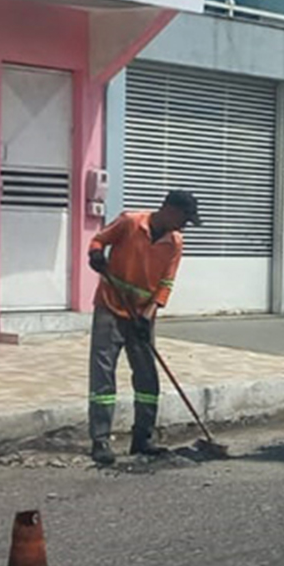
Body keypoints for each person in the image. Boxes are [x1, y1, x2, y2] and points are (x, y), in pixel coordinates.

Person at [86, 189, 201, 465]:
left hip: (141, 315)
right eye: (184, 218)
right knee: (103, 375)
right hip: (110, 307)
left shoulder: (175, 242)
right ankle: (100, 440)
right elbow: (98, 241)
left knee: (147, 378)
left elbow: (166, 284)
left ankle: (143, 439)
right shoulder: (130, 222)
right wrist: (96, 256)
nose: (185, 225)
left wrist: (146, 316)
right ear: (170, 210)